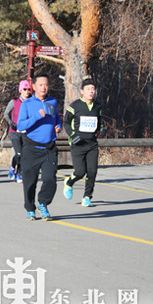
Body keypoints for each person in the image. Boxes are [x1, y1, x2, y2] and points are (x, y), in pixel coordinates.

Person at [17, 73, 62, 221]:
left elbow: (57, 119)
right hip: (31, 149)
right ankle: (30, 208)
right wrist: (37, 116)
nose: (43, 87)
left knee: (50, 180)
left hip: (49, 148)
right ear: (34, 87)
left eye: (46, 85)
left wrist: (58, 126)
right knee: (30, 183)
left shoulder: (53, 102)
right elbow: (20, 125)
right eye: (40, 85)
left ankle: (43, 202)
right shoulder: (27, 104)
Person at [63, 78, 104, 207]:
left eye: (93, 89)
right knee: (80, 172)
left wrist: (102, 129)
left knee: (92, 171)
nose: (91, 92)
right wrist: (72, 135)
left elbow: (99, 122)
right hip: (78, 144)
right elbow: (66, 123)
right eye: (88, 89)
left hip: (92, 144)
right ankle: (69, 183)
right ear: (82, 91)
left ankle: (87, 197)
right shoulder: (74, 106)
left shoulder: (98, 107)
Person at [3, 80, 32, 183]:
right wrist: (11, 123)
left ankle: (19, 174)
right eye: (25, 89)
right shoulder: (14, 101)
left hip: (26, 132)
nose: (27, 91)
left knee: (24, 154)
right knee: (19, 153)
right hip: (15, 131)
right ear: (20, 90)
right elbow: (6, 114)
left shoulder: (31, 102)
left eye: (29, 89)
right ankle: (12, 167)